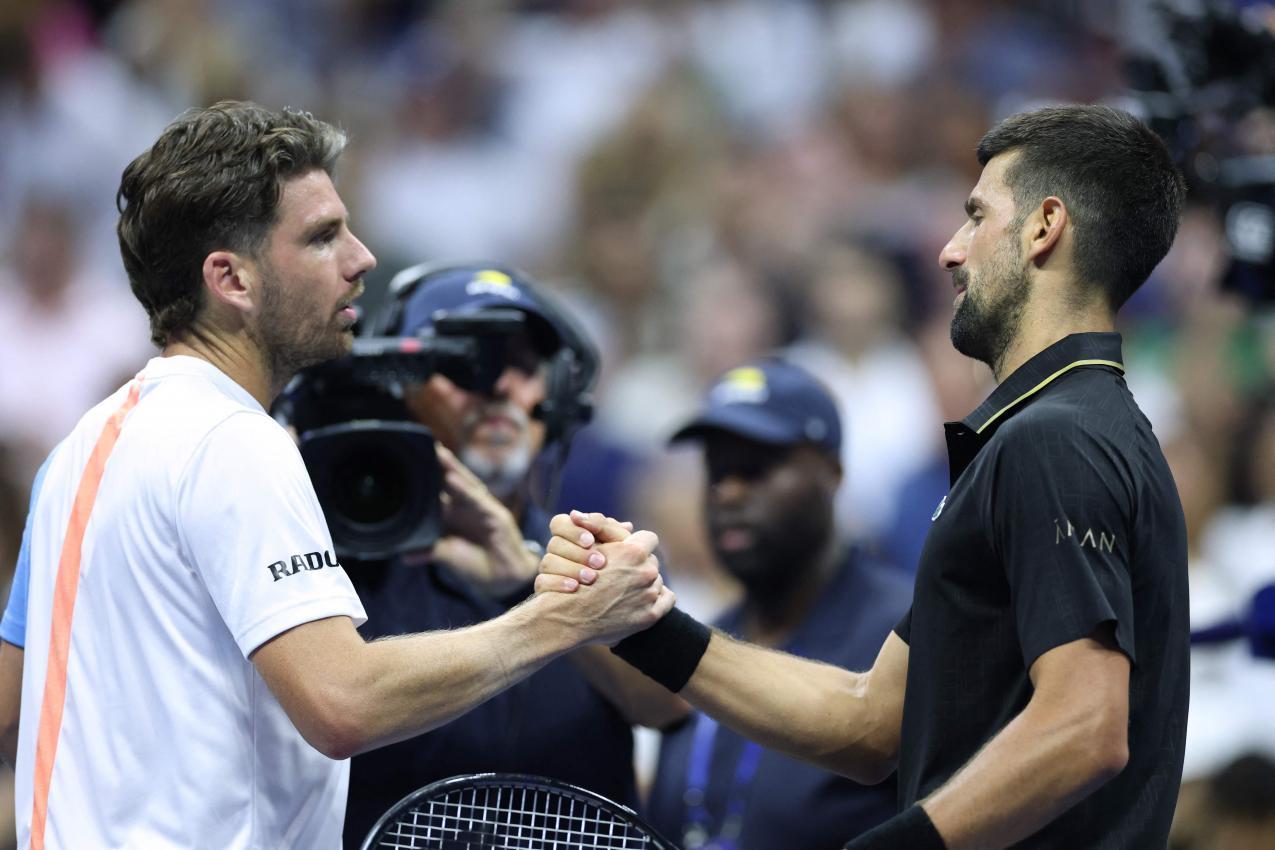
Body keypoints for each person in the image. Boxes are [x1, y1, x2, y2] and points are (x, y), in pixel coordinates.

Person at [0, 101, 671, 850]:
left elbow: (10, 700)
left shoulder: (77, 450)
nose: (362, 259)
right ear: (231, 278)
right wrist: (560, 620)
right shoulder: (233, 443)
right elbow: (342, 704)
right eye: (322, 237)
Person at [539, 104, 1190, 849]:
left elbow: (1085, 727)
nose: (949, 251)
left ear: (1045, 227)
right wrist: (644, 626)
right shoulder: (1072, 431)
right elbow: (868, 722)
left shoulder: (1056, 438)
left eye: (976, 216)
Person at [338, 264, 687, 847]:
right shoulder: (332, 556)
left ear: (556, 398)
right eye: (463, 362)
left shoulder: (601, 551)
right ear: (397, 387)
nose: (498, 385)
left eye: (522, 364)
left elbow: (669, 704)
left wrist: (529, 577)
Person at [643, 357, 912, 849]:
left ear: (831, 473)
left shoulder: (904, 630)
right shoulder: (699, 641)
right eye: (717, 471)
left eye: (756, 468)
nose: (728, 493)